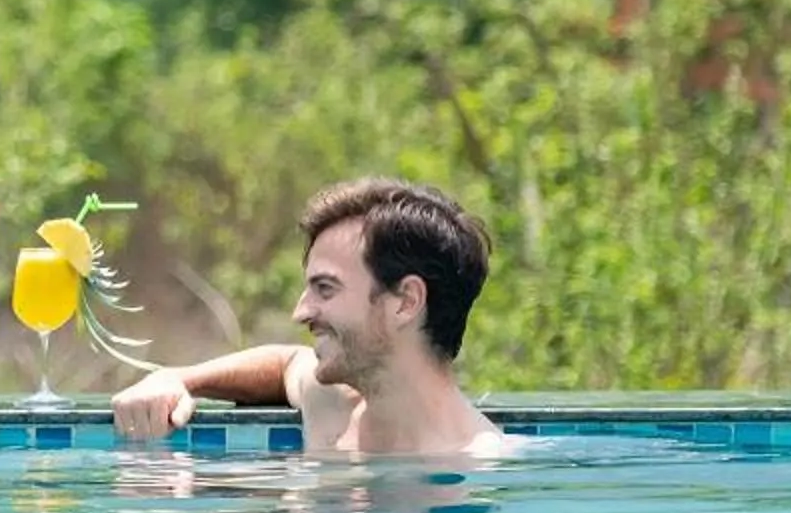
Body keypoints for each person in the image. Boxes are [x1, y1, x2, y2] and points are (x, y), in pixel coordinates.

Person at [111, 177, 506, 458]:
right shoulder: (333, 408)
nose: (301, 311)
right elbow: (286, 363)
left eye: (325, 288)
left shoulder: (480, 471)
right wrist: (178, 379)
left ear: (405, 301)